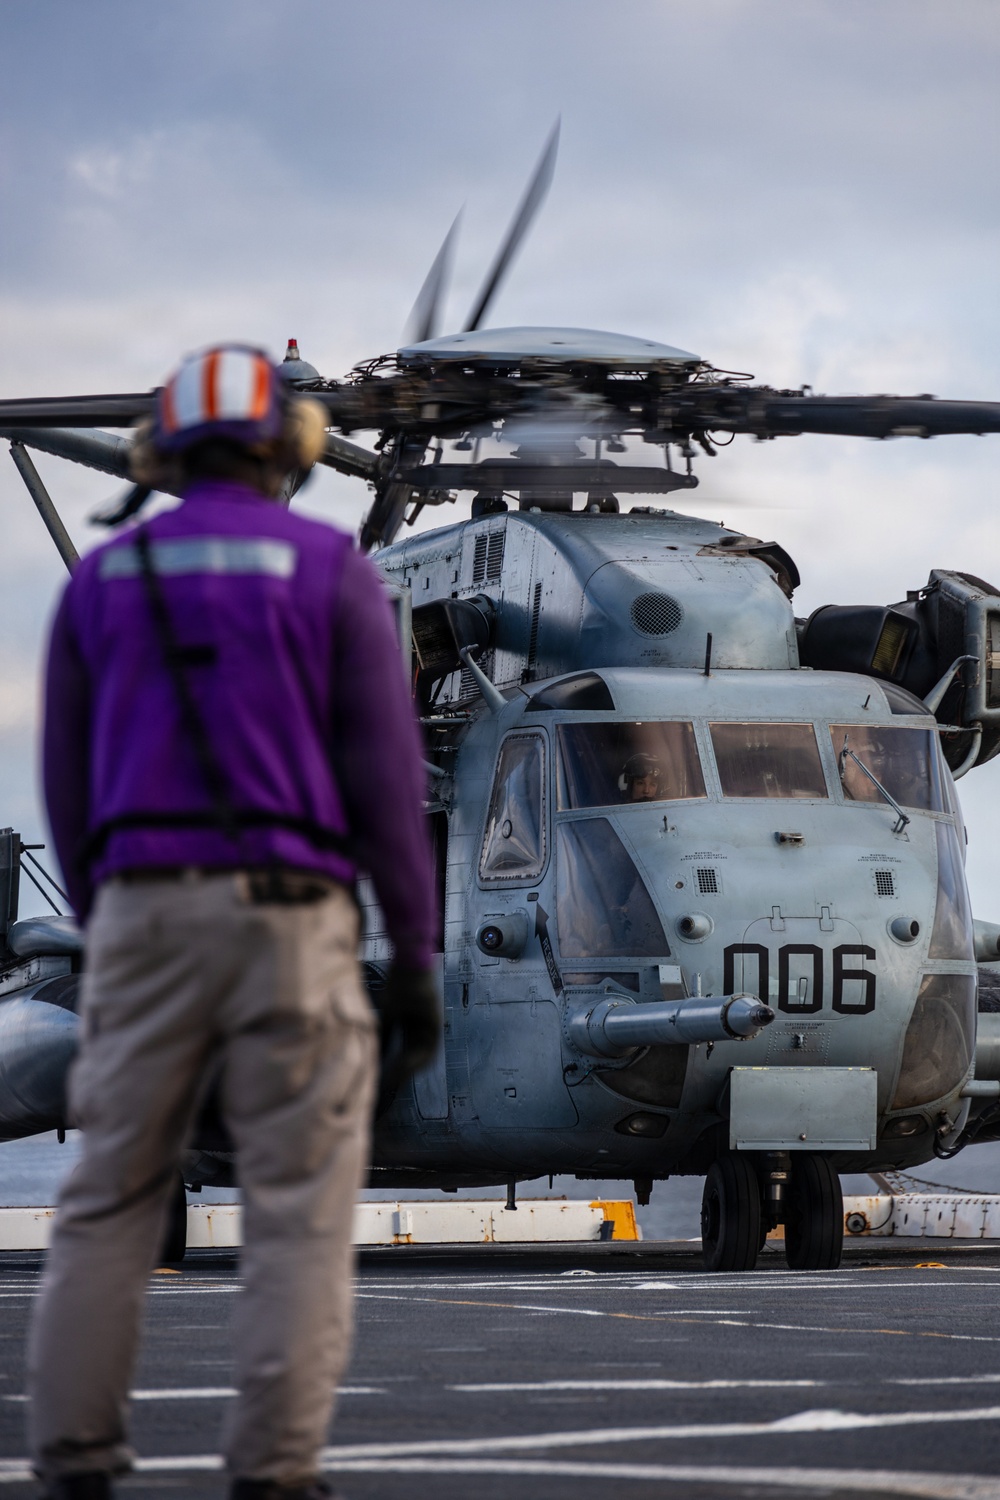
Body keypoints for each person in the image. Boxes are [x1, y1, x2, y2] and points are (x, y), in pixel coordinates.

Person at [28, 344, 440, 1500]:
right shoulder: (329, 570)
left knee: (110, 1197)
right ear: (287, 452)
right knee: (298, 1207)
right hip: (291, 918)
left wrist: (113, 920)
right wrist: (411, 953)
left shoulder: (102, 580)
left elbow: (68, 784)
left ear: (163, 453)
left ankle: (73, 1466)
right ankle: (273, 1474)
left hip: (140, 915)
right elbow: (383, 779)